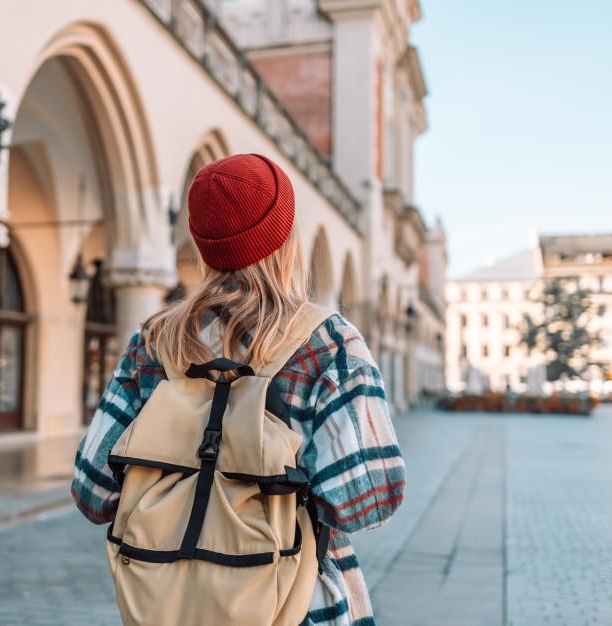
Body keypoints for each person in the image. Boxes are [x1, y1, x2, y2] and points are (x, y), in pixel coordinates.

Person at [72, 153, 406, 625]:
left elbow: (92, 492)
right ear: (286, 238)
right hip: (300, 605)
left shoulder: (152, 342)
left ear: (202, 243)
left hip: (168, 605)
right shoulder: (329, 343)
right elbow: (366, 500)